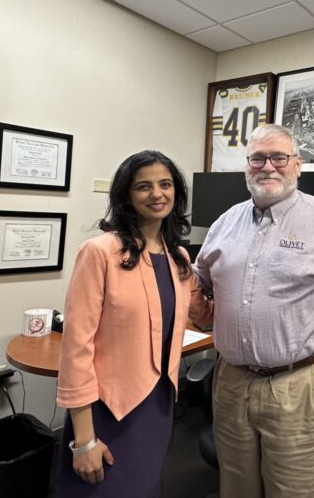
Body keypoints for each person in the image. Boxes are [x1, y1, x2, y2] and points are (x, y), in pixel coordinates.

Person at [194, 124, 314, 498]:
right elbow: (197, 285)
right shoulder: (224, 223)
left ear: (297, 165)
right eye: (257, 158)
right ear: (246, 167)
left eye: (279, 157)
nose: (268, 166)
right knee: (237, 490)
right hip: (232, 385)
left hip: (305, 388)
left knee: (301, 491)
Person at [55, 150, 212, 497]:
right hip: (109, 408)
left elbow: (205, 312)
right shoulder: (100, 252)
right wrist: (83, 440)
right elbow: (76, 348)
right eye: (144, 186)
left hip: (158, 404)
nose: (157, 194)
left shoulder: (179, 257)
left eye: (165, 184)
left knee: (145, 486)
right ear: (126, 195)